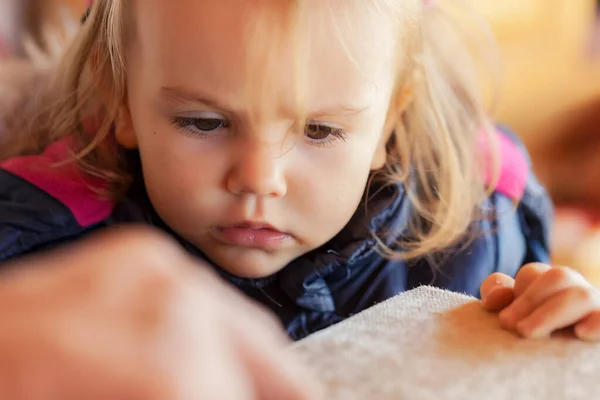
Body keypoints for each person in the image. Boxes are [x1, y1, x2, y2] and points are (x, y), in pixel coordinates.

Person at [0, 0, 599, 398]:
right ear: (120, 97)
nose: (261, 179)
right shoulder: (42, 256)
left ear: (390, 119)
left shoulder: (471, 228)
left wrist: (545, 314)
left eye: (320, 131)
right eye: (204, 123)